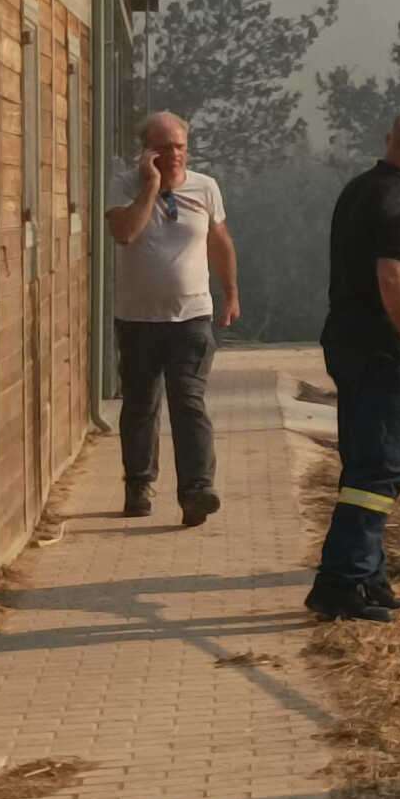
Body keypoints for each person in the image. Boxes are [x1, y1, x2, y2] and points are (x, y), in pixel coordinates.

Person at [307, 108, 400, 623]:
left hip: (347, 345)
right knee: (382, 468)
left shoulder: (361, 189)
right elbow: (393, 276)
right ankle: (339, 584)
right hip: (382, 352)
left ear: (390, 141)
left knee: (364, 461)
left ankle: (368, 576)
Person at [105, 112, 238, 524]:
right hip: (138, 319)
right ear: (146, 151)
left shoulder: (206, 187)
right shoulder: (123, 185)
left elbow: (219, 242)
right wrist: (151, 185)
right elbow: (125, 233)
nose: (174, 154)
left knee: (189, 402)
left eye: (180, 146)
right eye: (163, 147)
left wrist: (231, 292)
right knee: (141, 405)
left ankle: (197, 491)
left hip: (192, 317)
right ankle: (139, 484)